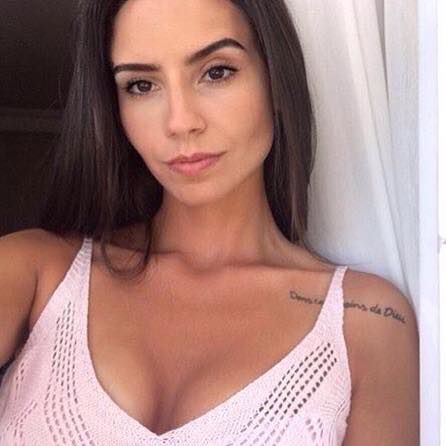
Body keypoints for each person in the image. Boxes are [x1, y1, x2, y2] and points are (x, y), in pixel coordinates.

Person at [0, 0, 419, 444]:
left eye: (217, 72)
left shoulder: (363, 321)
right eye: (142, 85)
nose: (180, 122)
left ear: (275, 79)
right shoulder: (35, 272)